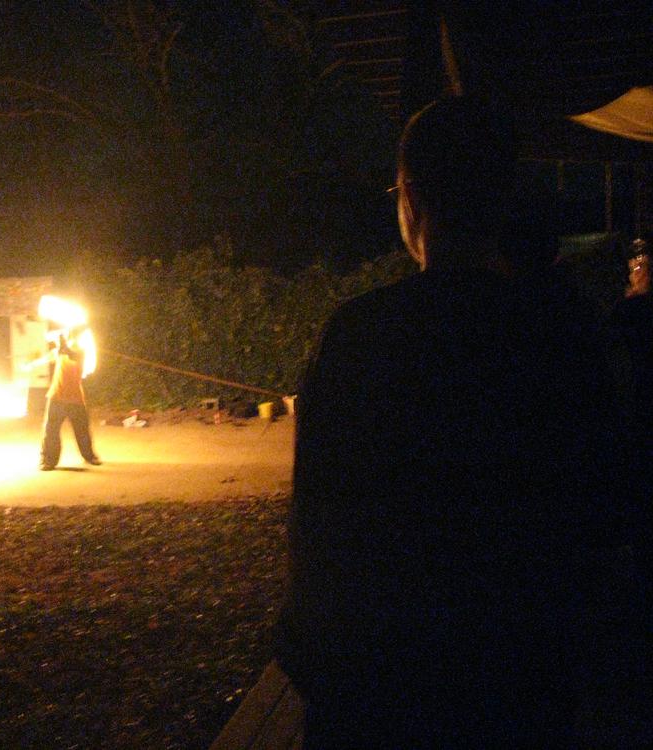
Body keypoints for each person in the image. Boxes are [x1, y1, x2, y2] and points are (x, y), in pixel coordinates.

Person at [277, 97, 650, 746]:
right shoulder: (560, 338)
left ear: (411, 200)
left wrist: (311, 656)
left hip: (380, 690)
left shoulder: (360, 335)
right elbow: (607, 510)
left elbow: (319, 524)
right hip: (518, 683)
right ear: (506, 198)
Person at [611, 239, 653, 446]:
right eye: (632, 269)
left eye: (640, 267)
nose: (634, 274)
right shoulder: (627, 307)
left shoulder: (632, 307)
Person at [39, 330, 101, 470]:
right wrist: (31, 364)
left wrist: (63, 345)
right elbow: (49, 356)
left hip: (75, 398)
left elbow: (70, 354)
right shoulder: (60, 351)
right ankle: (48, 461)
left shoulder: (80, 352)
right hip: (56, 396)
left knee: (82, 430)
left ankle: (89, 456)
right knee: (51, 431)